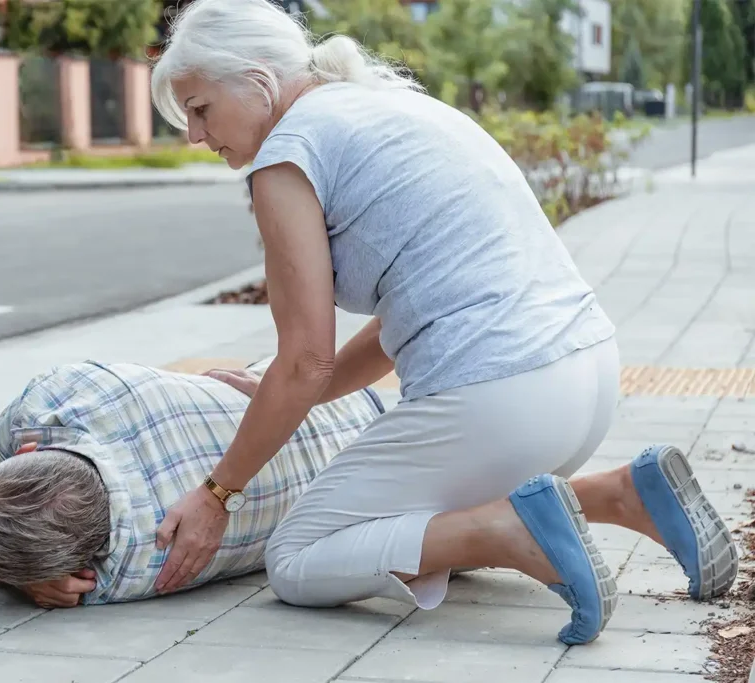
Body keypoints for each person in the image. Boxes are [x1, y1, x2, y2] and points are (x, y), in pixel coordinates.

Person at [147, 0, 739, 645]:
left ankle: (514, 531)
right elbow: (395, 326)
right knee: (411, 527)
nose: (195, 135)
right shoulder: (392, 105)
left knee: (297, 559)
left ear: (258, 81)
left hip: (501, 401)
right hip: (586, 377)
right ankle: (625, 495)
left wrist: (216, 495)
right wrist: (285, 392)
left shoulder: (286, 157)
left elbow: (305, 361)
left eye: (200, 108)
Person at [0, 358, 384, 608]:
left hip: (373, 452)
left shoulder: (132, 569)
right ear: (31, 449)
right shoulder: (70, 391)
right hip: (345, 399)